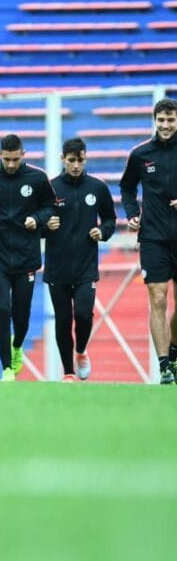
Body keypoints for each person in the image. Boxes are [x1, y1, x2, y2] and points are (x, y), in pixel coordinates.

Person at [0, 133, 56, 382]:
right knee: (2, 309)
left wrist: (37, 219)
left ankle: (17, 344)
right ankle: (7, 369)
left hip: (26, 257)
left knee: (22, 316)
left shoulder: (37, 178)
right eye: (6, 159)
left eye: (15, 159)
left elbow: (50, 206)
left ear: (23, 155)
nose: (11, 164)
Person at [44, 137, 116, 381]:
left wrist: (102, 232)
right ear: (62, 159)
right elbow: (36, 222)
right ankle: (68, 372)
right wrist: (46, 225)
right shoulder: (50, 188)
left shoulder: (97, 188)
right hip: (57, 267)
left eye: (80, 160)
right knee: (63, 320)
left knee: (84, 315)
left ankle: (81, 350)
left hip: (86, 266)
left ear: (86, 159)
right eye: (71, 160)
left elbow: (110, 219)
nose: (76, 165)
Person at [120, 97, 177, 384]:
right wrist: (132, 214)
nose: (165, 125)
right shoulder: (141, 154)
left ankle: (174, 351)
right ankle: (164, 366)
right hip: (153, 236)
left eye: (171, 120)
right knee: (158, 297)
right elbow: (127, 187)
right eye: (161, 120)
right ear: (154, 121)